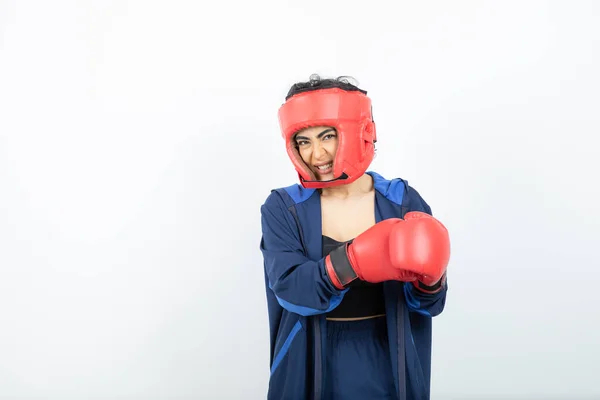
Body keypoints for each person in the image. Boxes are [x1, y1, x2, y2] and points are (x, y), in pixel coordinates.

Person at [259, 74, 450, 400]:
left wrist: (431, 282)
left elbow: (431, 305)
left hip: (389, 360)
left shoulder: (401, 201)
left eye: (327, 136)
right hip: (312, 361)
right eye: (303, 141)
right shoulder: (284, 207)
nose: (316, 154)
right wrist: (352, 261)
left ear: (361, 133)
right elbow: (291, 289)